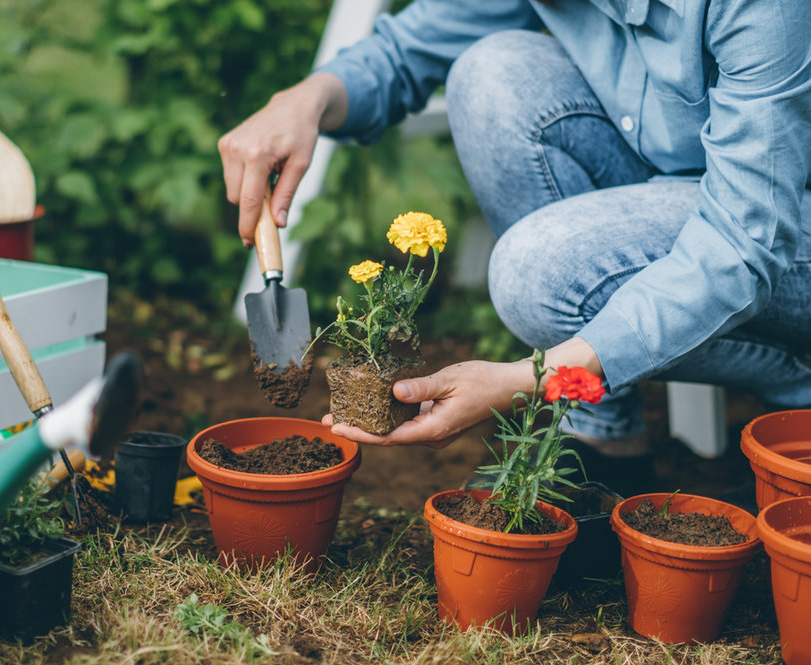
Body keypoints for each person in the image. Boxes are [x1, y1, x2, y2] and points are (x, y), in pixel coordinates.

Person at [218, 1, 811, 489]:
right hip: (678, 186)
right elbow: (410, 49)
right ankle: (601, 443)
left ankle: (798, 379)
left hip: (776, 229)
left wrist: (534, 378)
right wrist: (308, 99)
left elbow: (744, 242)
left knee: (537, 273)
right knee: (492, 73)